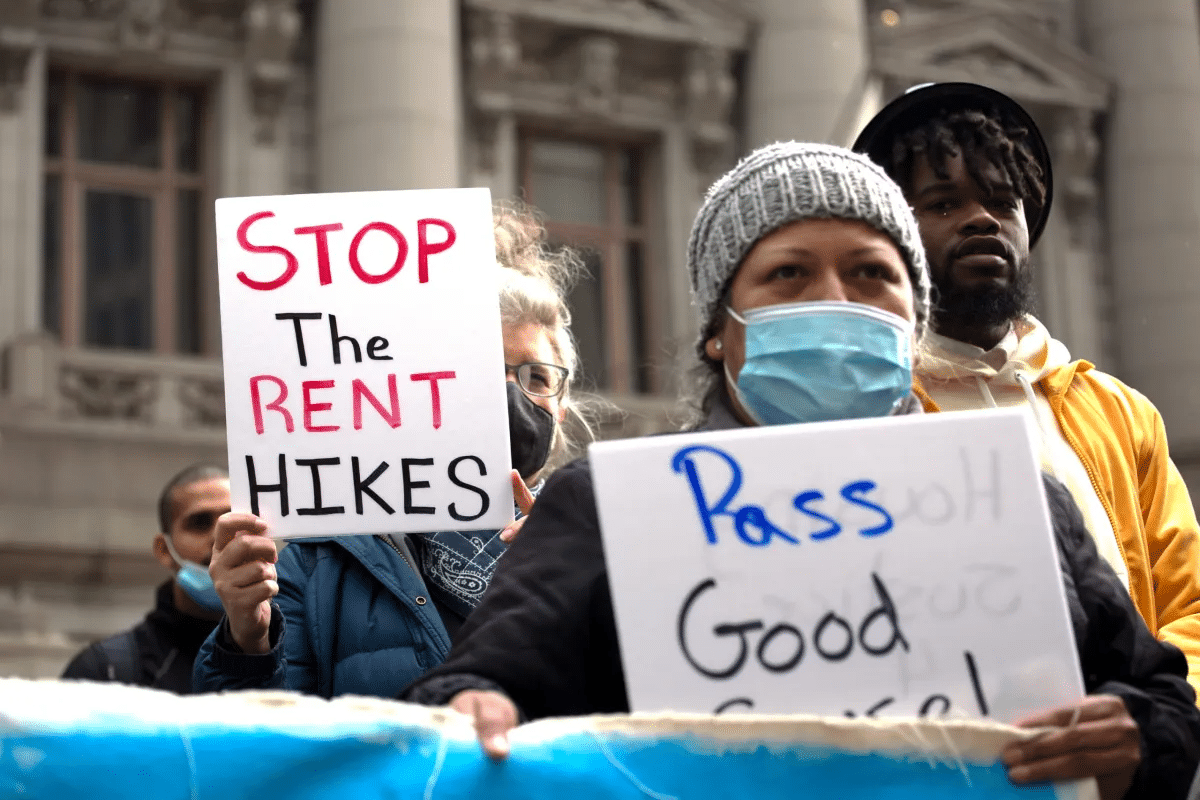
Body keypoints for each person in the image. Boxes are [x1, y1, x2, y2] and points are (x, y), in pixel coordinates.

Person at [403, 143, 1200, 799]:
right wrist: (472, 712)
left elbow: (1161, 701)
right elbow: (468, 687)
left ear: (911, 320)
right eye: (788, 274)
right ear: (721, 328)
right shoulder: (610, 503)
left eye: (870, 274)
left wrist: (1135, 733)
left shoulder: (1020, 496)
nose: (834, 300)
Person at [852, 82, 1200, 698]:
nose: (982, 219)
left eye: (1003, 201)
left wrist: (1154, 724)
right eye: (942, 204)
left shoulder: (1122, 415)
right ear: (891, 235)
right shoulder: (859, 413)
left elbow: (1189, 606)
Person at [192, 202, 589, 699]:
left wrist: (580, 583)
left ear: (563, 404)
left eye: (534, 376)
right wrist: (247, 641)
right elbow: (255, 746)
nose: (510, 394)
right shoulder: (317, 569)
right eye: (480, 372)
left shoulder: (601, 545)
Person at [62, 464, 230, 693]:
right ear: (164, 550)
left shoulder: (289, 657)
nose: (219, 538)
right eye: (200, 523)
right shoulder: (103, 673)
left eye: (232, 522)